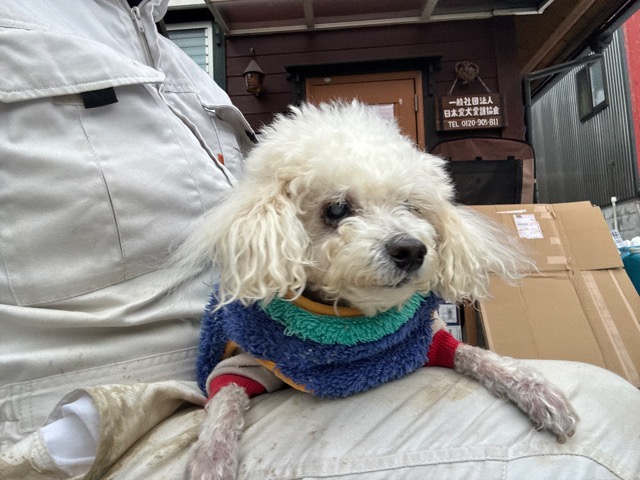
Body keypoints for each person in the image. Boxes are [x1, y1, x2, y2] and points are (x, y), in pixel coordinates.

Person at [1, 1, 640, 479]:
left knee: (604, 397)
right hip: (93, 424)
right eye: (338, 211)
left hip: (238, 390)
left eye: (410, 209)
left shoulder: (165, 49)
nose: (406, 240)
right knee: (605, 431)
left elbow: (436, 339)